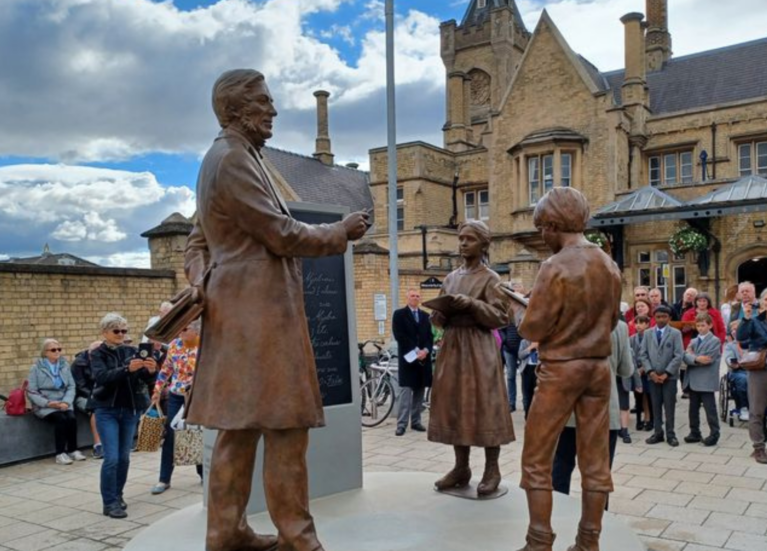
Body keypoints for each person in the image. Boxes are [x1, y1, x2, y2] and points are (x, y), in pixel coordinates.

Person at [184, 69, 370, 551]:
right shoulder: (232, 159)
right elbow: (281, 234)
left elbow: (197, 242)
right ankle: (298, 539)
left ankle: (225, 534)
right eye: (264, 102)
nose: (274, 111)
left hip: (239, 312)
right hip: (260, 314)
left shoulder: (225, 158)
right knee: (286, 426)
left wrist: (204, 281)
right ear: (237, 109)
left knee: (238, 431)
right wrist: (341, 233)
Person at [509, 187, 622, 551]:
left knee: (537, 457)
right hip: (598, 369)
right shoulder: (608, 263)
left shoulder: (554, 266)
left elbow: (533, 329)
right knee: (595, 458)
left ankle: (539, 540)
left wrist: (515, 309)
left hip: (561, 369)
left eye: (542, 227)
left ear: (554, 224)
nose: (542, 235)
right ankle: (589, 541)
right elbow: (613, 317)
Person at [428, 220, 514, 497]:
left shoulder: (491, 278)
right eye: (461, 238)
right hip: (453, 346)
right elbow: (442, 315)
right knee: (456, 403)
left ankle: (492, 469)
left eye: (470, 239)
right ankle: (461, 467)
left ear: (483, 244)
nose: (463, 243)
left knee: (485, 404)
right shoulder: (451, 277)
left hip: (479, 347)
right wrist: (438, 315)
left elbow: (501, 317)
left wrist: (474, 304)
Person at [552, 317, 633, 498]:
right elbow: (626, 369)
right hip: (604, 409)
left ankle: (557, 510)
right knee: (599, 472)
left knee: (562, 465)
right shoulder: (618, 327)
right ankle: (597, 519)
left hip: (570, 409)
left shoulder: (565, 323)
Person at [89, 313, 158, 519]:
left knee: (124, 457)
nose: (121, 334)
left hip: (129, 409)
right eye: (116, 330)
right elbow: (102, 377)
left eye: (124, 330)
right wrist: (127, 369)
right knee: (111, 458)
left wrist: (151, 370)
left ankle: (117, 496)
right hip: (107, 409)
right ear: (105, 332)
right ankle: (109, 503)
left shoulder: (132, 350)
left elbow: (143, 379)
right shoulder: (97, 354)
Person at [150, 320, 203, 494]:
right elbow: (166, 370)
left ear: (196, 331)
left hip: (197, 396)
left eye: (184, 328)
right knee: (171, 435)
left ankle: (204, 474)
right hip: (176, 396)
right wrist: (157, 390)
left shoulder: (205, 344)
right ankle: (164, 479)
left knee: (197, 433)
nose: (180, 331)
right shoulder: (174, 345)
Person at [26, 339, 86, 465]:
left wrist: (66, 402)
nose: (57, 352)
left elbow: (71, 386)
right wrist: (48, 403)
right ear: (45, 352)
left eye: (59, 349)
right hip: (45, 404)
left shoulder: (64, 365)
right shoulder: (36, 368)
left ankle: (73, 450)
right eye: (53, 350)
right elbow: (31, 391)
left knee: (71, 418)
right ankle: (60, 453)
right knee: (61, 419)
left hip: (63, 402)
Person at [639, 306, 684, 447]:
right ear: (654, 318)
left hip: (668, 378)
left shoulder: (675, 333)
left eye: (664, 316)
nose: (661, 319)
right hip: (653, 377)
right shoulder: (648, 334)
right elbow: (643, 354)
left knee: (669, 406)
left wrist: (667, 373)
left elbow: (678, 355)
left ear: (669, 318)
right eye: (658, 317)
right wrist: (651, 372)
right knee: (655, 405)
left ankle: (670, 434)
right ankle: (658, 432)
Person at [392, 289, 433, 436]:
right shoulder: (399, 315)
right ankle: (401, 424)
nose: (415, 298)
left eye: (417, 296)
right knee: (406, 391)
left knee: (419, 391)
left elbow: (430, 337)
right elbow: (399, 336)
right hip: (408, 359)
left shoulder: (426, 316)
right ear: (407, 297)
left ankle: (416, 422)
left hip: (423, 360)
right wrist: (416, 351)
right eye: (412, 296)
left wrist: (426, 351)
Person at [735, 288, 767, 464]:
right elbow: (741, 336)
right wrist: (746, 318)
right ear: (761, 302)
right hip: (760, 369)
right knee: (757, 410)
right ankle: (759, 448)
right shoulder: (755, 321)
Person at [682, 313, 722, 446]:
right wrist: (696, 358)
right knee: (693, 409)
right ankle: (695, 432)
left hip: (706, 381)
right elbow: (685, 356)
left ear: (710, 325)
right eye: (698, 325)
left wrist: (692, 357)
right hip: (693, 380)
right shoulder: (693, 341)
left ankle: (714, 433)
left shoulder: (715, 341)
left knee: (710, 409)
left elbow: (708, 359)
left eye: (703, 325)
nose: (700, 328)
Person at [71, 340, 104, 459]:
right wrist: (96, 395)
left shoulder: (103, 361)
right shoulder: (78, 364)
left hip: (101, 395)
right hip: (83, 396)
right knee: (97, 410)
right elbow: (80, 386)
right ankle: (98, 446)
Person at [630, 315, 653, 431]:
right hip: (636, 371)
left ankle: (649, 418)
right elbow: (630, 354)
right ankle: (639, 419)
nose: (638, 325)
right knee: (638, 396)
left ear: (647, 324)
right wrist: (635, 369)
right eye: (636, 323)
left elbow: (652, 355)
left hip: (647, 371)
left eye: (641, 323)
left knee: (648, 396)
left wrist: (644, 368)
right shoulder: (632, 338)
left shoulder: (650, 337)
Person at [723, 321, 749, 421]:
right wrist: (732, 363)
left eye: (737, 329)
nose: (734, 331)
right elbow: (729, 358)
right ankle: (743, 407)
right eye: (732, 330)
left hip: (754, 370)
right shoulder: (730, 345)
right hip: (737, 371)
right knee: (743, 379)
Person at [500, 313, 523, 412]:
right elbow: (500, 330)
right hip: (508, 350)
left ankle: (527, 401)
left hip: (523, 348)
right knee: (510, 376)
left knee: (526, 375)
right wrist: (505, 340)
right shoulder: (507, 315)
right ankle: (511, 403)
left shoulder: (523, 314)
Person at [518, 339, 539, 419]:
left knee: (537, 395)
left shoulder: (542, 341)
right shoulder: (524, 342)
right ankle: (528, 416)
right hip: (527, 369)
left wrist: (538, 349)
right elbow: (520, 355)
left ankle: (536, 416)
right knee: (527, 395)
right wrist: (530, 348)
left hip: (538, 369)